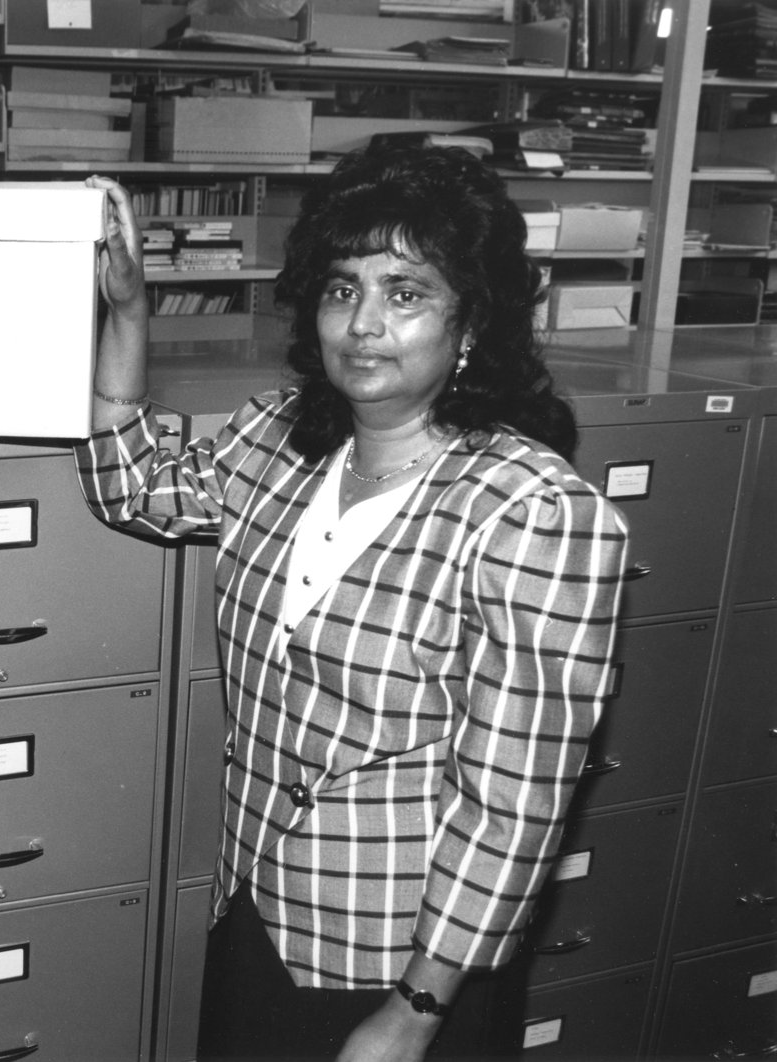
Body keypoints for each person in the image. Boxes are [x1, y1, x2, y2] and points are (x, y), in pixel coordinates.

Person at [81, 147, 629, 1061]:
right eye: (343, 290)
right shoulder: (275, 441)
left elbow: (513, 799)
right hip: (257, 905)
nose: (365, 323)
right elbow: (129, 488)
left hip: (404, 959)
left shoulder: (532, 512)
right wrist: (128, 312)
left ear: (470, 324)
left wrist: (415, 1010)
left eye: (406, 293)